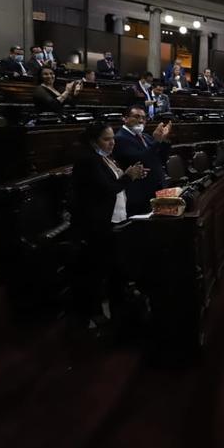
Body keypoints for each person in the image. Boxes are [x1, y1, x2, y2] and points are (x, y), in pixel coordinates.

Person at [70, 121, 148, 327]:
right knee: (98, 271)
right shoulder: (88, 161)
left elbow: (114, 182)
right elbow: (107, 189)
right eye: (106, 139)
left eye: (113, 138)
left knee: (116, 269)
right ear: (93, 141)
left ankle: (119, 309)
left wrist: (132, 175)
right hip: (98, 225)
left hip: (115, 219)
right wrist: (128, 177)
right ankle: (94, 315)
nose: (112, 142)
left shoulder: (104, 158)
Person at [111, 105, 172, 215]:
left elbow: (160, 159)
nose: (141, 121)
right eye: (136, 117)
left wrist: (163, 140)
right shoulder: (120, 138)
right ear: (125, 118)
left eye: (144, 118)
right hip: (139, 194)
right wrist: (157, 141)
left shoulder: (145, 137)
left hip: (155, 190)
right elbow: (141, 160)